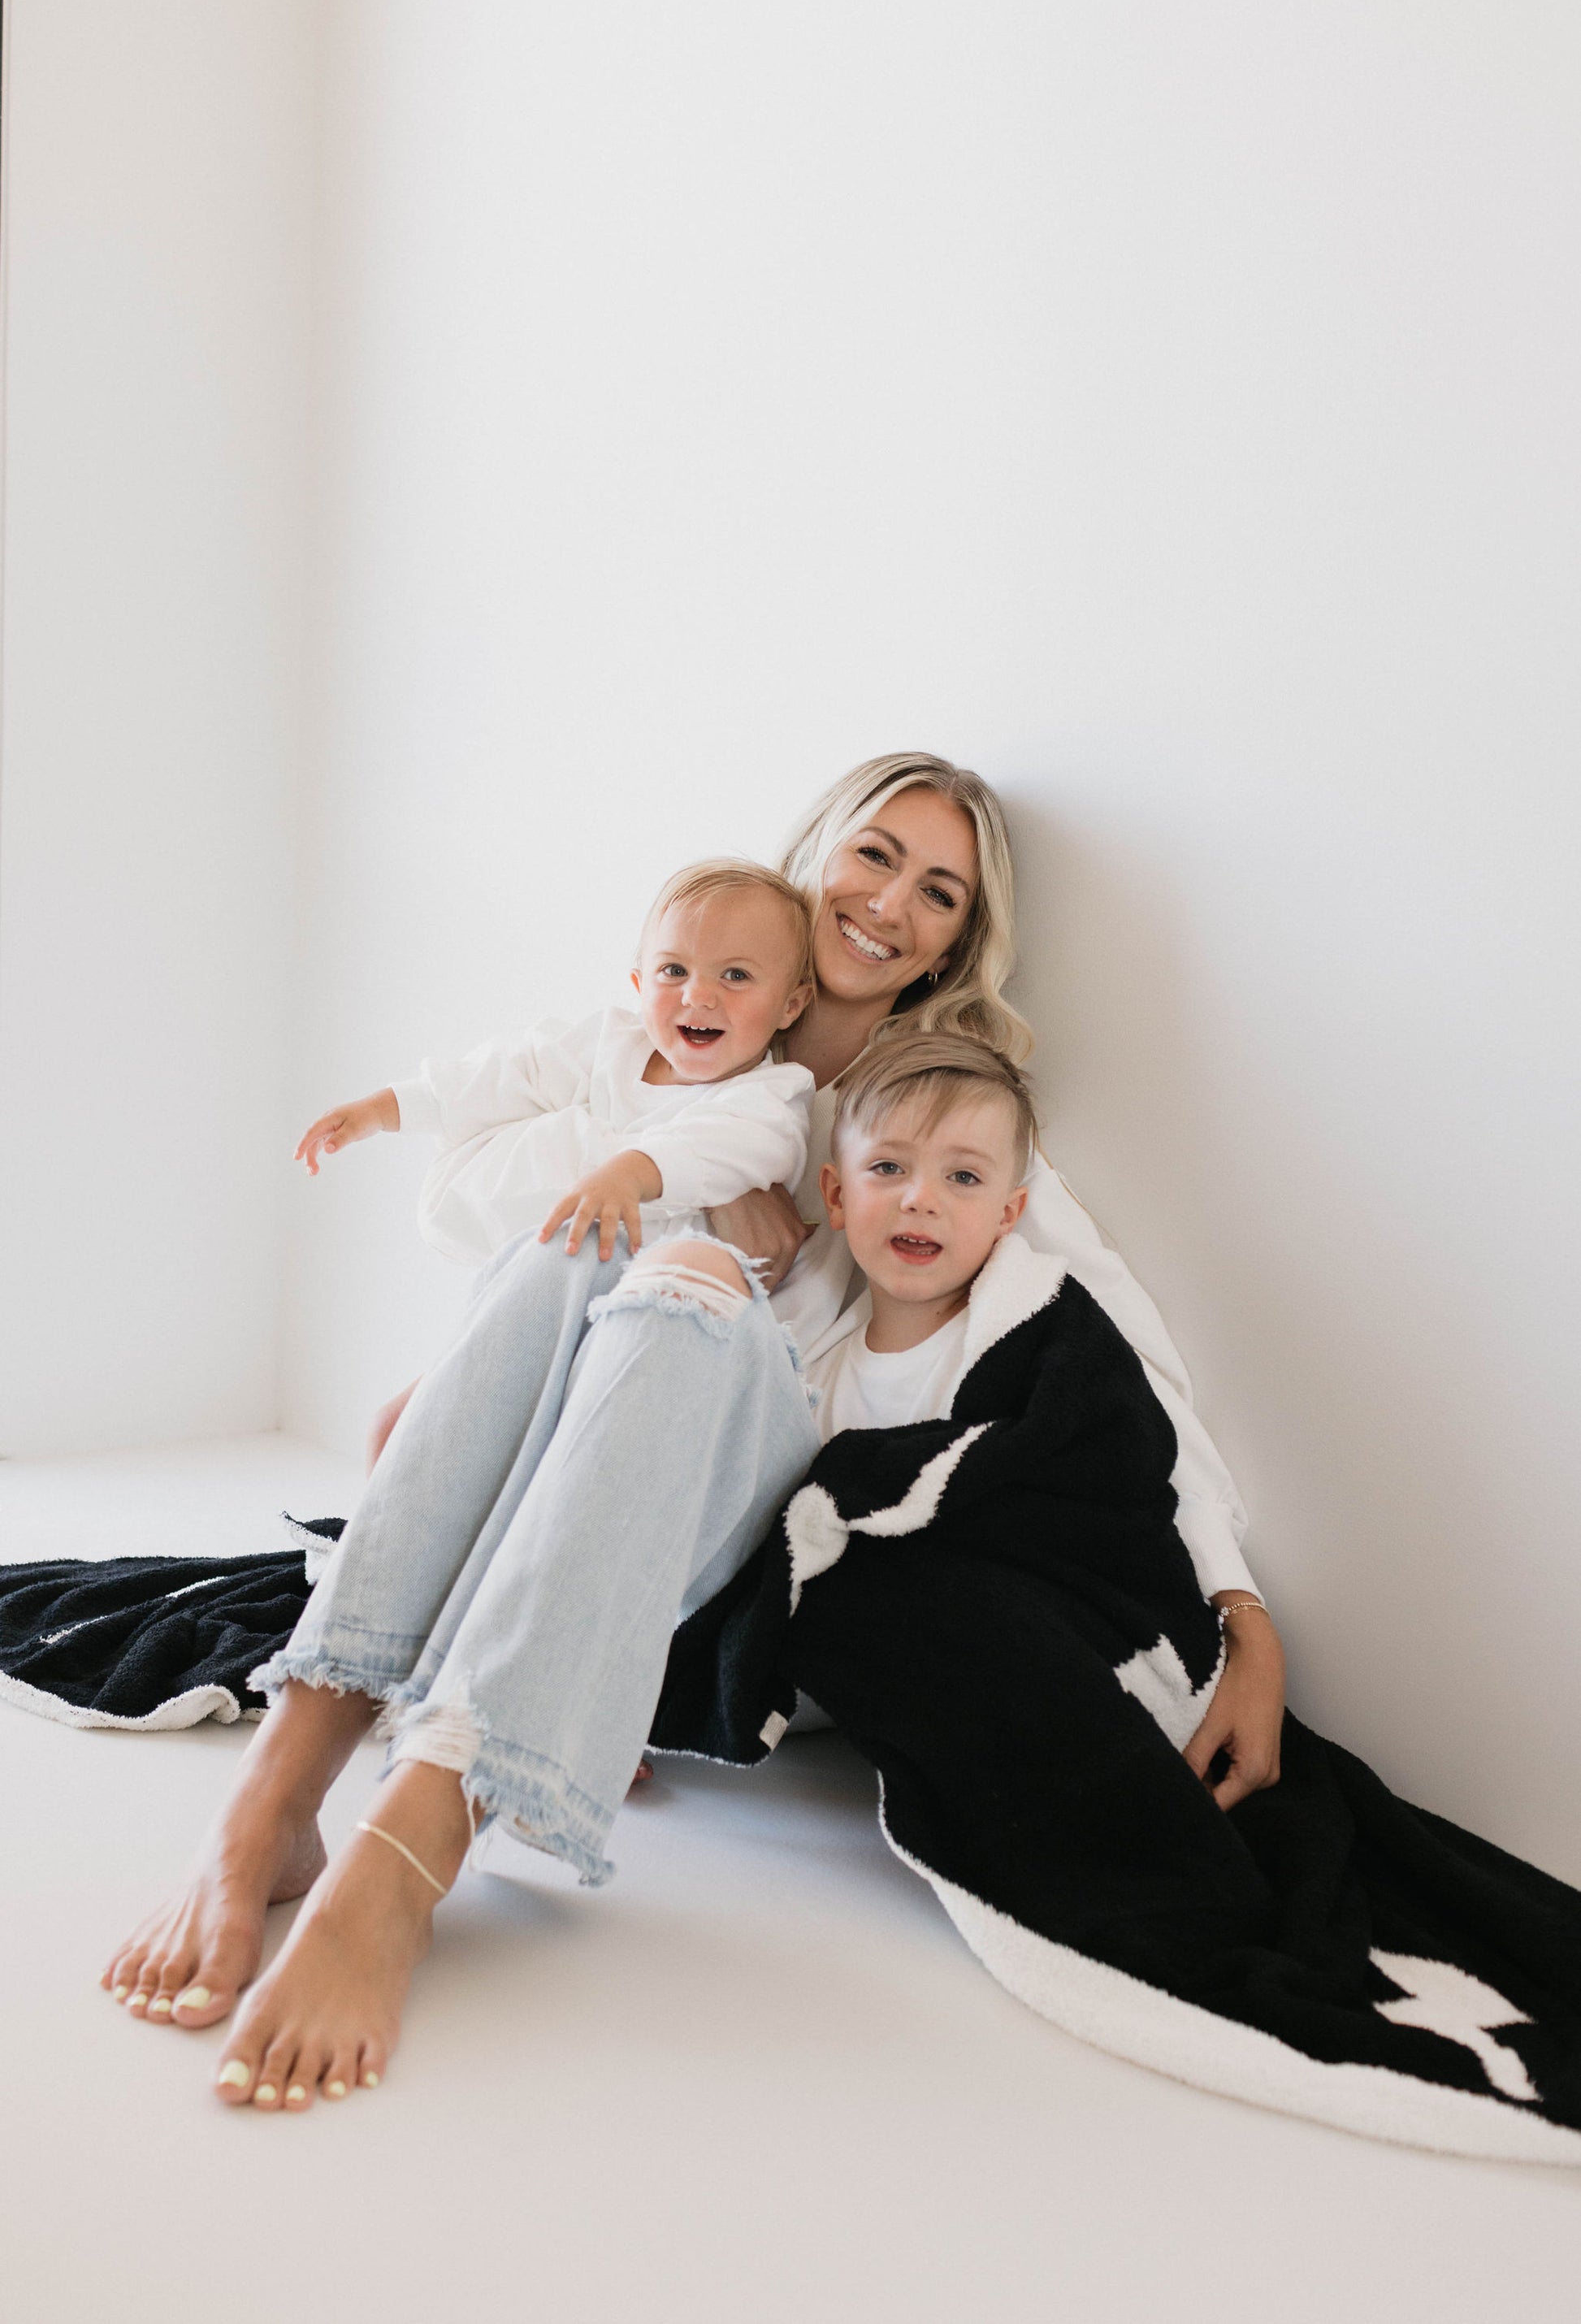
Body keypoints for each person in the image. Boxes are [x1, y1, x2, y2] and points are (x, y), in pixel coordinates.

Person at [100, 753, 1282, 2113]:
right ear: (816, 854)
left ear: (960, 938)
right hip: (586, 1457)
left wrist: (1239, 1607)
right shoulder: (683, 1028)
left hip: (733, 1495)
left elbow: (1124, 1348)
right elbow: (459, 1202)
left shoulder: (937, 1115)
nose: (893, 901)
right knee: (582, 1256)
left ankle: (408, 1847)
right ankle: (277, 1791)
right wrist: (687, 1181)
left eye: (939, 891)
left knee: (686, 1291)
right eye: (875, 856)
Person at [295, 858, 817, 1268]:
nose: (697, 996)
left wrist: (629, 1174)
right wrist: (382, 1110)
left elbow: (722, 1146)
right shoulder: (612, 1040)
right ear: (639, 985)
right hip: (527, 1256)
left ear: (790, 1006)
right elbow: (509, 1071)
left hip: (639, 1288)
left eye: (736, 976)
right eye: (674, 970)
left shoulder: (771, 1096)